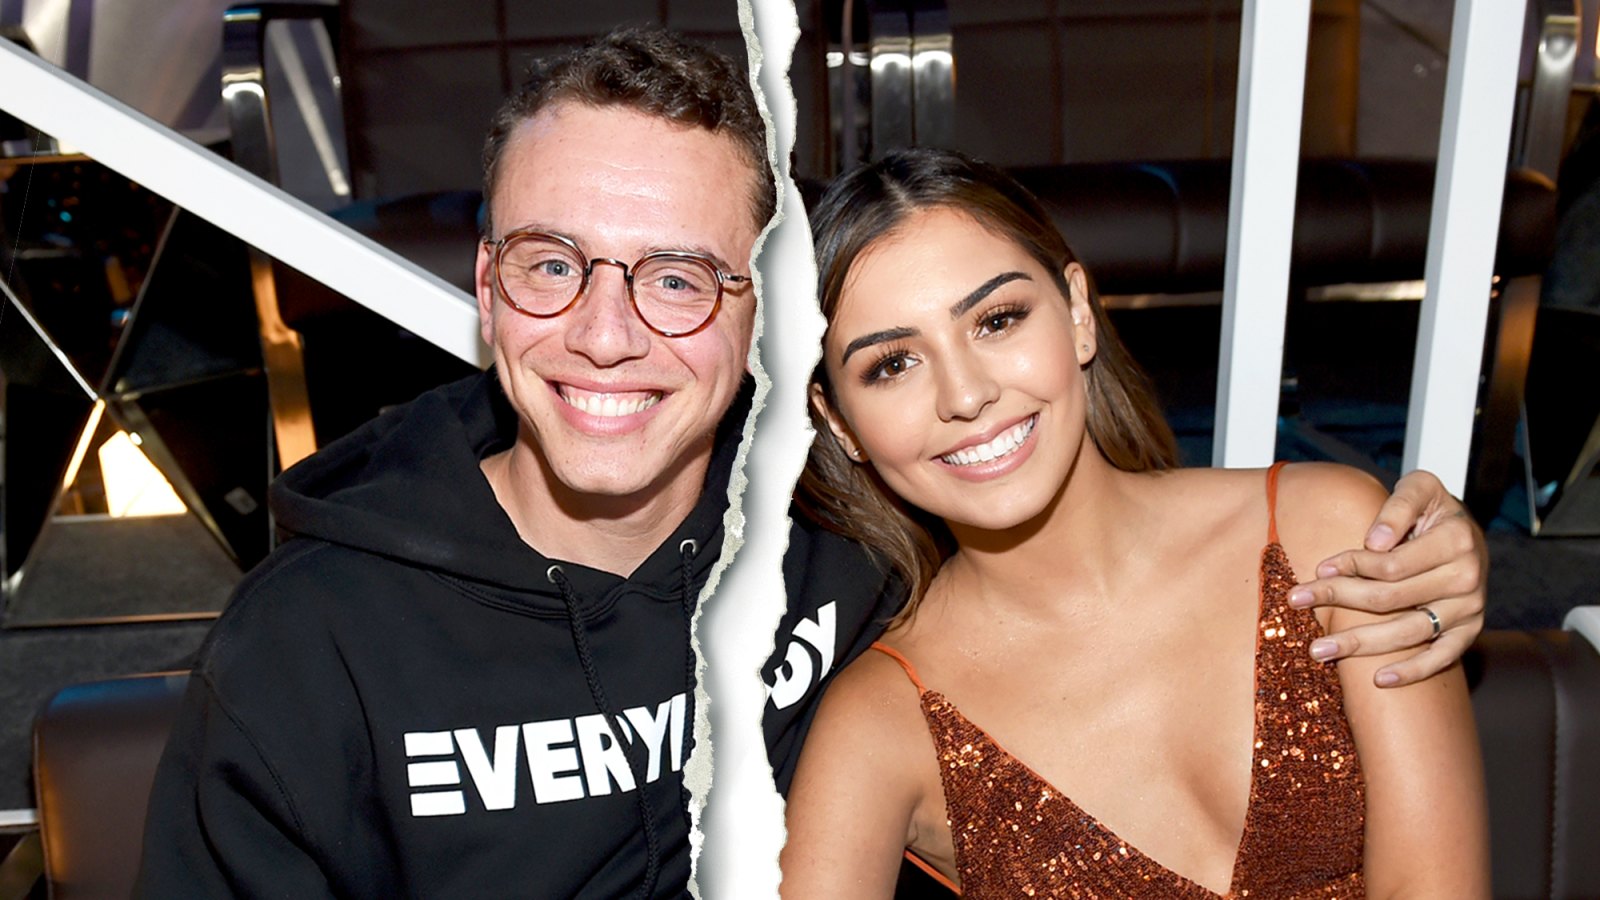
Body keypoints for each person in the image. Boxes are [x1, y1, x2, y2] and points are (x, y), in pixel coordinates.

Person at [137, 28, 773, 898]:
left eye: (675, 277)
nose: (603, 337)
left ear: (758, 308)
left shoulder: (832, 529)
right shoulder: (308, 648)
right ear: (486, 288)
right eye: (552, 265)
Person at [776, 149, 1489, 898]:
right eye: (892, 364)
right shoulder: (879, 725)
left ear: (1078, 313)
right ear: (840, 423)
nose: (966, 393)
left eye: (996, 319)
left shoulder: (1330, 532)